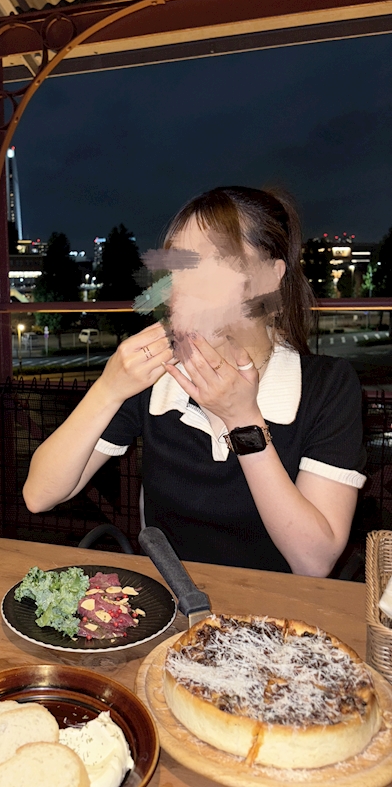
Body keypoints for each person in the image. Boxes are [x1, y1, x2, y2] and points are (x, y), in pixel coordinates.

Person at [23, 187, 366, 577]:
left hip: (275, 609)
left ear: (270, 277)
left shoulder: (327, 386)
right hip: (165, 602)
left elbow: (313, 562)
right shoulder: (158, 376)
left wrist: (243, 422)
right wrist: (108, 388)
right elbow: (39, 495)